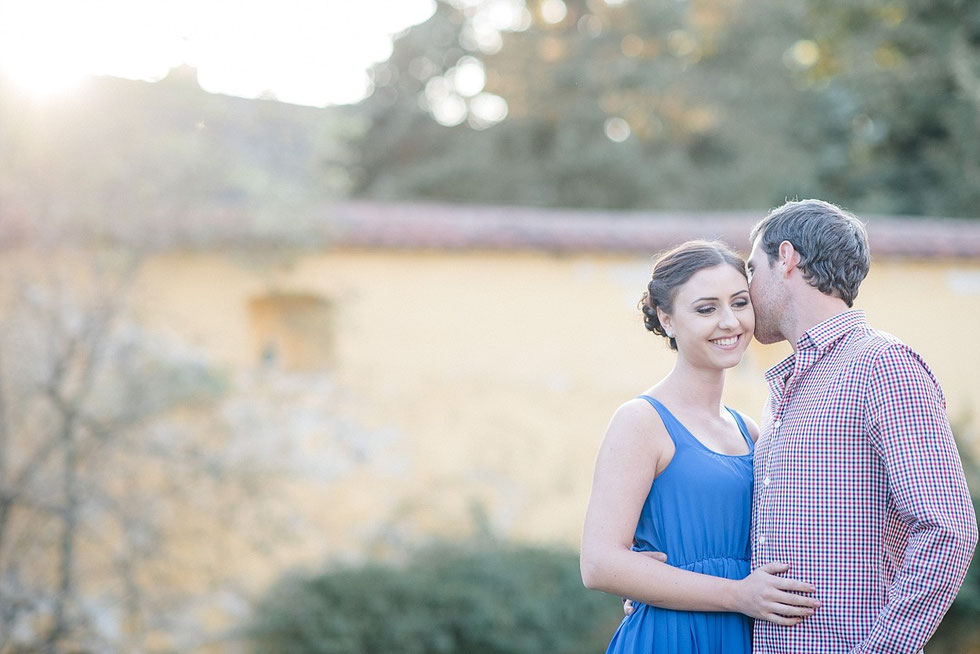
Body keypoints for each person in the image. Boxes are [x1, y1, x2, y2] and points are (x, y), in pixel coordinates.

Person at [745, 198, 978, 653]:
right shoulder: (790, 388)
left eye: (753, 270)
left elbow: (948, 528)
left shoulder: (882, 365)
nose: (747, 288)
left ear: (787, 258)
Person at [580, 240, 820, 654]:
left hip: (748, 636)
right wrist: (736, 594)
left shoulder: (750, 429)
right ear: (667, 319)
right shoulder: (641, 421)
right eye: (706, 309)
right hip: (671, 636)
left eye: (740, 303)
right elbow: (599, 563)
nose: (729, 322)